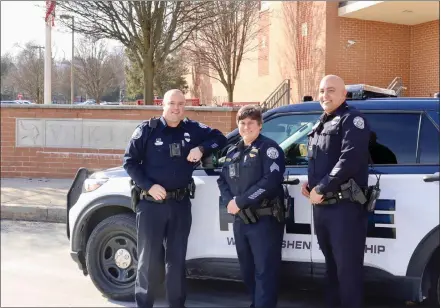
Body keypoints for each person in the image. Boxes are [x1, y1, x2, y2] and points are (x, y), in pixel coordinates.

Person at [123, 89, 227, 308]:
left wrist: (201, 148)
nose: (176, 108)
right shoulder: (146, 130)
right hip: (151, 205)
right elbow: (129, 163)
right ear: (163, 104)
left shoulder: (193, 129)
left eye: (181, 104)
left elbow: (220, 138)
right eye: (172, 103)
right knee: (148, 261)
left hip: (180, 204)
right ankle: (144, 304)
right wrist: (149, 186)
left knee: (177, 261)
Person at [301, 75, 371, 308]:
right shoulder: (320, 123)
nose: (324, 95)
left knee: (347, 270)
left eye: (331, 90)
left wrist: (321, 187)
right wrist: (310, 185)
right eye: (321, 91)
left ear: (344, 94)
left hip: (344, 208)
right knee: (330, 266)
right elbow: (320, 160)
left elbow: (349, 160)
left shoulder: (352, 120)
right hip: (322, 207)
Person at [217, 105, 286, 308]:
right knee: (247, 269)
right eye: (242, 123)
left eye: (251, 123)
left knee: (265, 270)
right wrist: (230, 200)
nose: (246, 127)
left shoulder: (269, 149)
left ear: (260, 126)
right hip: (241, 220)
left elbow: (271, 180)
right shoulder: (233, 152)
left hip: (264, 219)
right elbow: (222, 180)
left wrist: (241, 201)